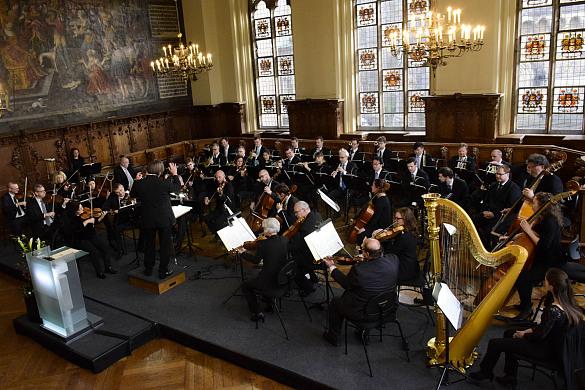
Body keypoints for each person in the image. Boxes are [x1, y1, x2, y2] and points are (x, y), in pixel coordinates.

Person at [469, 268, 584, 386]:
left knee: (495, 343)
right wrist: (528, 330)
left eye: (545, 281)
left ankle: (485, 372)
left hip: (546, 350)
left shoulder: (553, 311)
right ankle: (510, 376)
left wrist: (523, 334)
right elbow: (546, 329)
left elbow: (539, 336)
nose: (544, 282)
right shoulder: (570, 304)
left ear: (551, 287)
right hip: (555, 344)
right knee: (508, 333)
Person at [323, 238, 399, 346]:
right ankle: (363, 333)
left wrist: (332, 266)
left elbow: (346, 284)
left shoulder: (359, 270)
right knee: (370, 293)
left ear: (367, 254)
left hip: (364, 313)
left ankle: (333, 337)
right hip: (387, 307)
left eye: (362, 250)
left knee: (335, 302)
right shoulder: (394, 260)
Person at [507, 191, 566, 321]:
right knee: (522, 276)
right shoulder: (543, 218)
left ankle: (527, 309)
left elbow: (544, 245)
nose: (532, 204)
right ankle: (524, 305)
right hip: (543, 259)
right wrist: (508, 238)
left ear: (542, 205)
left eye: (534, 202)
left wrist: (527, 230)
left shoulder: (550, 222)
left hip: (552, 263)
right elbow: (531, 235)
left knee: (522, 280)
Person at [130, 160, 181, 279]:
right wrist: (175, 174)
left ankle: (148, 269)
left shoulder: (140, 183)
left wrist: (136, 180)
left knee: (149, 244)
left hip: (148, 219)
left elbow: (132, 195)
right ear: (160, 171)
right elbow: (178, 188)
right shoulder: (164, 183)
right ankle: (163, 271)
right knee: (164, 246)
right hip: (164, 219)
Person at [237, 218, 289, 322]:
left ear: (267, 231)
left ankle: (258, 312)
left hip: (269, 281)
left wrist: (242, 253)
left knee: (245, 286)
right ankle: (269, 305)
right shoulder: (285, 240)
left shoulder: (264, 245)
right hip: (282, 278)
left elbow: (255, 261)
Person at [62, 200, 116, 279]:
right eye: (80, 209)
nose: (83, 210)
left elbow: (95, 221)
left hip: (91, 236)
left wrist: (102, 216)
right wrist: (87, 221)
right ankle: (99, 272)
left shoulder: (86, 214)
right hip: (81, 239)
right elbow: (76, 230)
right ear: (74, 211)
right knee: (94, 252)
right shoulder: (71, 219)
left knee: (105, 248)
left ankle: (108, 268)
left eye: (82, 207)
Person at [473, 165, 521, 249]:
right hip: (489, 213)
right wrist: (484, 211)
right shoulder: (494, 185)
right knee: (472, 224)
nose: (498, 176)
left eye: (500, 174)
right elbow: (486, 200)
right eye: (497, 174)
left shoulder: (514, 189)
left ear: (508, 174)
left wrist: (494, 214)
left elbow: (510, 208)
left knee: (490, 231)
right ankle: (482, 246)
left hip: (502, 216)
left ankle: (490, 249)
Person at [374, 207, 420, 282]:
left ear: (405, 219)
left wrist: (380, 240)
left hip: (405, 272)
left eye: (397, 219)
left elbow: (390, 253)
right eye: (395, 218)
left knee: (378, 269)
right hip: (412, 268)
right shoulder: (410, 232)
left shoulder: (405, 237)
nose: (395, 221)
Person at [290, 201, 324, 296]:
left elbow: (300, 247)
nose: (295, 215)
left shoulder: (305, 227)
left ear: (304, 210)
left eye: (296, 212)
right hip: (322, 250)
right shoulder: (316, 215)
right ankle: (313, 277)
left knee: (294, 264)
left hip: (315, 258)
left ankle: (308, 287)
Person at [356, 179, 392, 245]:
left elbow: (376, 218)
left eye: (373, 185)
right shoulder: (378, 197)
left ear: (378, 188)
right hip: (378, 223)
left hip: (381, 227)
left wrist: (365, 228)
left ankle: (363, 253)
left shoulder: (382, 200)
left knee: (361, 235)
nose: (371, 187)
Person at [203, 170, 236, 243]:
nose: (218, 179)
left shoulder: (229, 185)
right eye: (216, 177)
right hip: (219, 209)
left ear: (224, 176)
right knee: (206, 218)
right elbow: (211, 193)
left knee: (218, 222)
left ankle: (225, 236)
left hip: (227, 209)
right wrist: (207, 198)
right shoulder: (217, 184)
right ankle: (218, 234)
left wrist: (221, 194)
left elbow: (229, 200)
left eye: (219, 177)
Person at [327, 148, 358, 218]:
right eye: (339, 158)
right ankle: (337, 212)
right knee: (329, 196)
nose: (340, 159)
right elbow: (335, 179)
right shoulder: (337, 165)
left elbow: (354, 176)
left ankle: (346, 215)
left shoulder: (352, 165)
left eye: (342, 158)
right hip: (340, 188)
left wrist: (344, 171)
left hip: (350, 188)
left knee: (347, 198)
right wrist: (334, 174)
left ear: (347, 157)